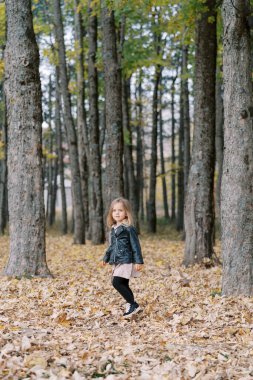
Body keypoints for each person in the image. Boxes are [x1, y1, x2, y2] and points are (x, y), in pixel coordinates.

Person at [101, 197, 144, 318]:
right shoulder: (113, 229)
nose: (117, 213)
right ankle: (131, 305)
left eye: (120, 210)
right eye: (114, 210)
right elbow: (112, 246)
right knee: (124, 284)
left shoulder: (128, 228)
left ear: (126, 213)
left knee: (116, 282)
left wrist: (138, 261)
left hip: (126, 260)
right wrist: (106, 257)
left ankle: (133, 304)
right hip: (117, 260)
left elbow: (136, 245)